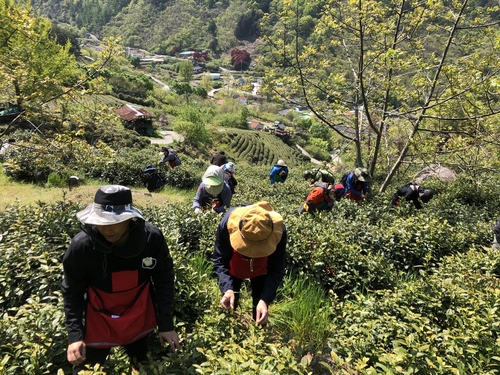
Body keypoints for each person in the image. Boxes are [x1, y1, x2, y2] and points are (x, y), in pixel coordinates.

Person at [61, 185, 179, 375]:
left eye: (115, 222)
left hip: (138, 314)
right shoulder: (82, 246)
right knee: (86, 370)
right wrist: (75, 335)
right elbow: (72, 291)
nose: (107, 229)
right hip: (97, 318)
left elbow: (164, 280)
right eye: (101, 222)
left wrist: (166, 325)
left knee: (143, 366)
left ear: (130, 219)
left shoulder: (151, 239)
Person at [213, 202, 286, 325]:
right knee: (230, 299)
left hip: (262, 267)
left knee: (260, 303)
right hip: (235, 263)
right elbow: (220, 259)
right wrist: (227, 288)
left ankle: (258, 328)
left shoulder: (278, 231)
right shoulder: (227, 224)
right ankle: (229, 324)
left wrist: (265, 300)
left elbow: (276, 268)